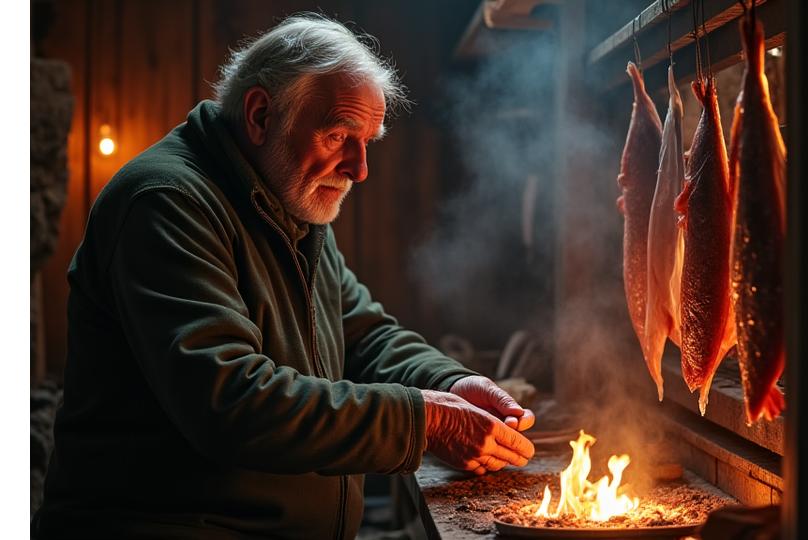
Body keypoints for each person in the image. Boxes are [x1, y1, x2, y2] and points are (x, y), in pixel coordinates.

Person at [32, 13, 535, 539]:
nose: (359, 168)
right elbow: (232, 402)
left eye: (369, 141)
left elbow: (364, 335)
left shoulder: (288, 201)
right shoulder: (166, 203)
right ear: (259, 114)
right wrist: (425, 420)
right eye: (339, 135)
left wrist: (451, 383)